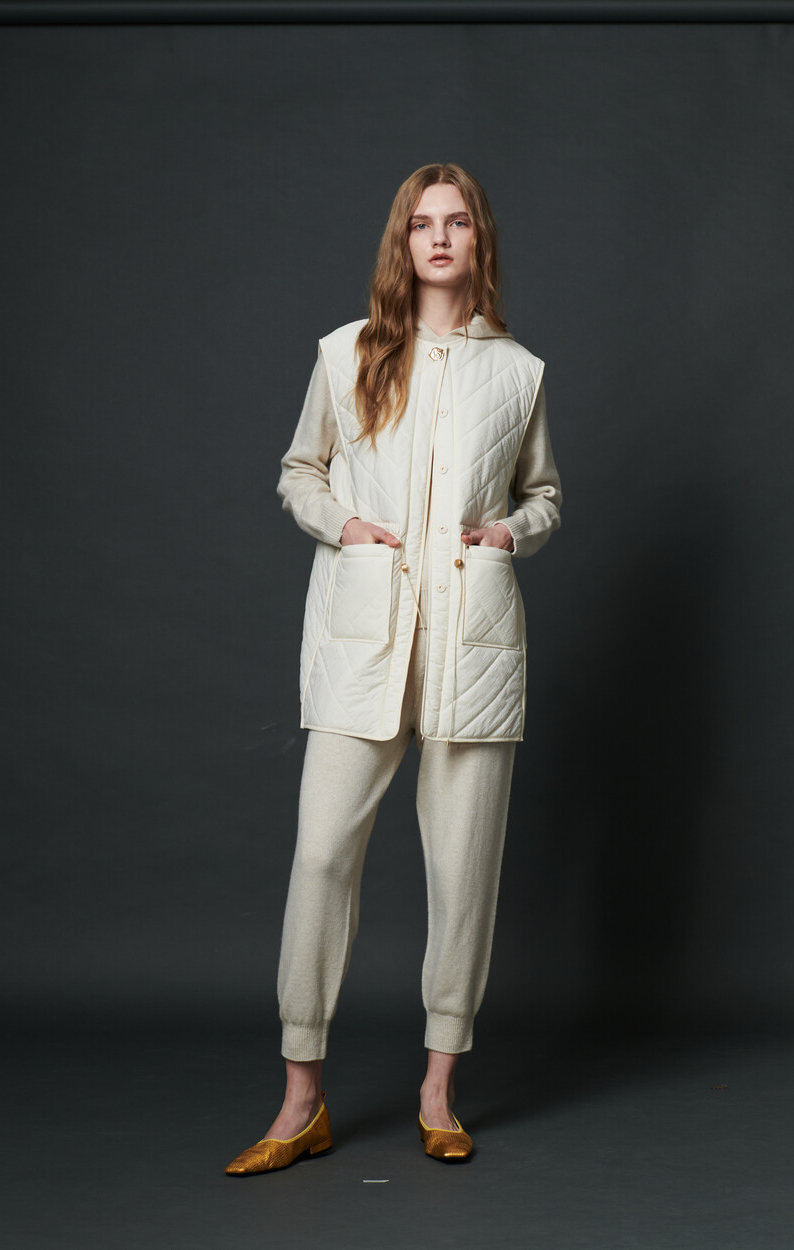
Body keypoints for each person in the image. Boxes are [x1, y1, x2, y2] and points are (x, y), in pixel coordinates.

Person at [225, 162, 562, 1174]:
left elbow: (545, 494)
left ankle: (437, 1091)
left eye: (457, 222)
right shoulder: (348, 352)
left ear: (479, 238)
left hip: (472, 644)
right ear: (403, 241)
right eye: (422, 224)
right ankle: (301, 1100)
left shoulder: (519, 372)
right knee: (322, 854)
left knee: (464, 873)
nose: (440, 238)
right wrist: (344, 525)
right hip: (363, 634)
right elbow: (300, 470)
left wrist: (510, 533)